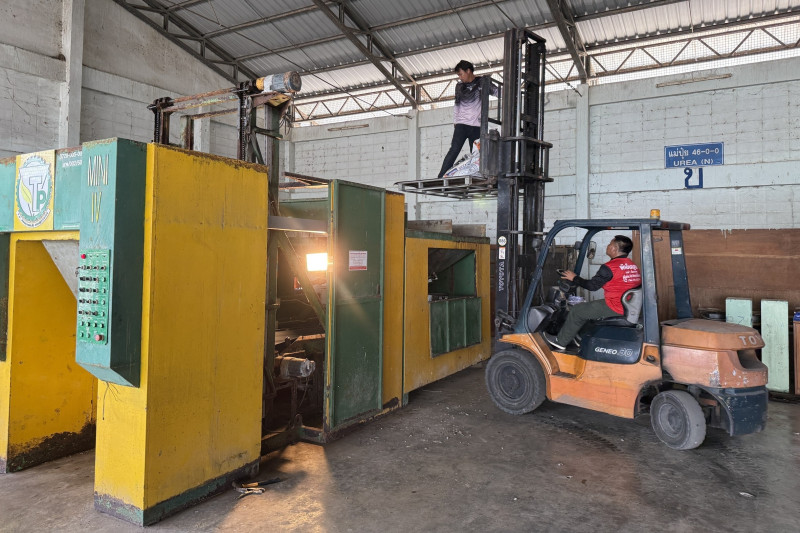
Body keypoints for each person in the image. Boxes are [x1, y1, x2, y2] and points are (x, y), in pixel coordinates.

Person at [543, 235, 642, 351]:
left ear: (614, 248)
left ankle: (560, 342)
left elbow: (591, 286)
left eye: (610, 244)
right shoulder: (632, 265)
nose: (607, 246)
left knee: (577, 311)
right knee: (587, 308)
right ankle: (580, 337)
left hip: (616, 306)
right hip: (627, 304)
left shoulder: (610, 267)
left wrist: (574, 278)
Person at [437, 60, 498, 178]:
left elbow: (498, 92)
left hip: (476, 126)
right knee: (454, 149)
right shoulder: (459, 86)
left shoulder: (482, 82)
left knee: (476, 153)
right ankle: (441, 176)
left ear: (468, 71)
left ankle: (477, 175)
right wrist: (456, 121)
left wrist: (511, 92)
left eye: (461, 74)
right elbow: (457, 105)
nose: (460, 77)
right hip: (462, 125)